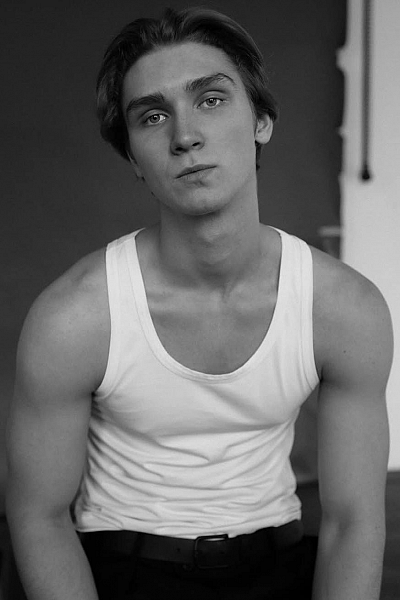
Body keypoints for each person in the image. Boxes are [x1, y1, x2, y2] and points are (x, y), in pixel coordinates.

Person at [6, 7, 393, 600]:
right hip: (120, 570)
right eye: (153, 116)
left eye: (211, 99)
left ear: (261, 120)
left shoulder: (344, 309)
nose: (184, 135)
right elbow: (40, 517)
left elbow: (353, 522)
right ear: (133, 159)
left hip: (277, 566)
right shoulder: (75, 318)